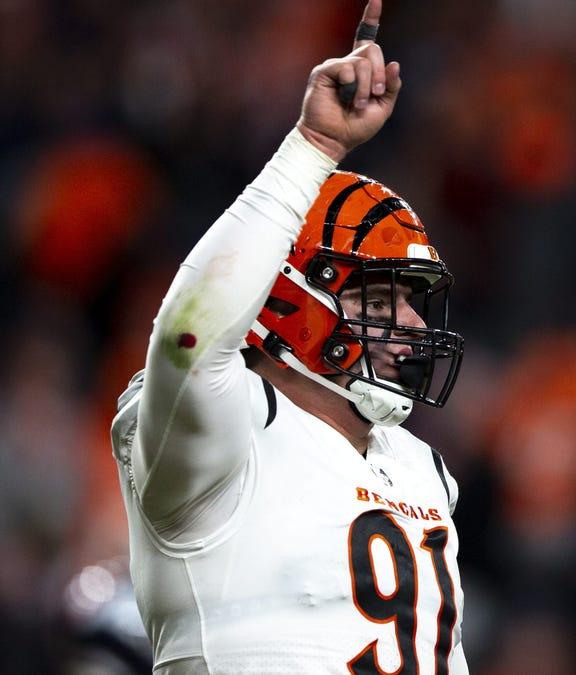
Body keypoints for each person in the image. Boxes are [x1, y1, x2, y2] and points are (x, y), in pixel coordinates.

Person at [110, 2, 468, 672]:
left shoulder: (420, 467)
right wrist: (314, 146)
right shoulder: (225, 430)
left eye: (412, 302)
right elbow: (188, 335)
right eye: (379, 299)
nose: (414, 325)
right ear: (288, 300)